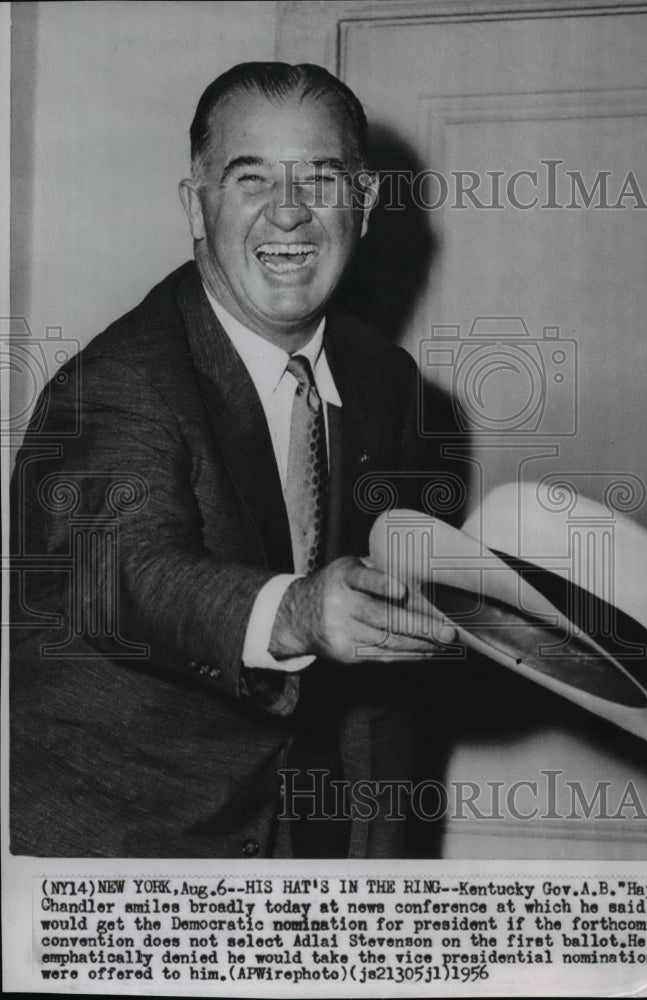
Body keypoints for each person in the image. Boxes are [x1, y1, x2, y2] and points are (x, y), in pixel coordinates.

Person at [10, 62, 455, 859]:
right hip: (131, 849)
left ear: (365, 203)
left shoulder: (386, 381)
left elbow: (378, 646)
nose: (288, 213)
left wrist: (375, 865)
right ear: (197, 203)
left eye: (321, 178)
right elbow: (121, 573)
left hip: (304, 842)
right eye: (251, 179)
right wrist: (296, 612)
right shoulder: (116, 383)